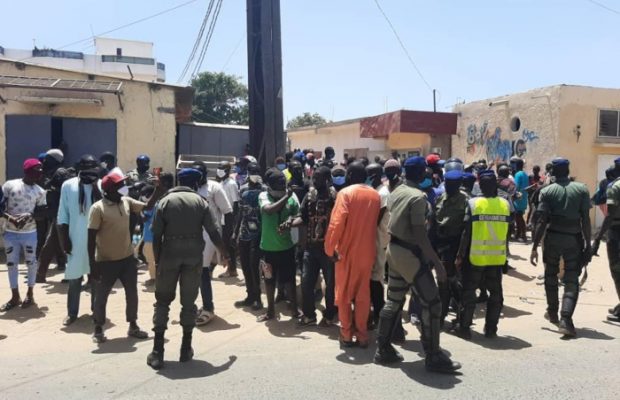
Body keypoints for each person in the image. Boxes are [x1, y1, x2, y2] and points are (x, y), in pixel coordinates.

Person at [373, 156, 460, 373]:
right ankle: (433, 356)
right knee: (433, 303)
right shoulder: (417, 198)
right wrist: (438, 264)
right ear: (422, 173)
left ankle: (382, 349)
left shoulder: (396, 191)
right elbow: (421, 236)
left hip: (393, 251)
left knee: (393, 300)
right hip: (410, 255)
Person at [146, 168, 228, 370]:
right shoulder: (201, 202)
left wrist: (157, 261)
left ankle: (158, 352)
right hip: (193, 257)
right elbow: (214, 231)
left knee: (163, 301)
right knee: (189, 303)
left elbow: (156, 235)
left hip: (169, 256)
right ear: (195, 184)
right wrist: (223, 252)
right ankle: (185, 348)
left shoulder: (164, 201)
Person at [87, 170, 164, 343]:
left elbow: (147, 207)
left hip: (127, 258)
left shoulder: (126, 201)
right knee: (102, 295)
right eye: (119, 185)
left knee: (132, 293)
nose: (123, 187)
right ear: (109, 190)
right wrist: (92, 265)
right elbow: (91, 238)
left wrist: (158, 190)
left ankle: (133, 325)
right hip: (105, 260)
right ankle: (98, 328)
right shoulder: (98, 208)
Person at [530, 158, 592, 336]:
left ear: (554, 172)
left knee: (551, 275)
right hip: (574, 239)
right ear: (568, 170)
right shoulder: (581, 189)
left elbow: (541, 221)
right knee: (572, 280)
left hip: (553, 239)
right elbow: (585, 220)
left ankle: (552, 312)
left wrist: (534, 246)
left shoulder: (547, 191)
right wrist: (588, 244)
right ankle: (566, 319)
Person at [324, 162, 380, 347]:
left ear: (349, 176)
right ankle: (363, 335)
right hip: (367, 252)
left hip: (347, 253)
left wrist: (329, 249)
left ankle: (347, 335)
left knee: (345, 295)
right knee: (363, 295)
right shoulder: (375, 195)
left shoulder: (345, 193)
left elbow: (336, 224)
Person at [456, 170, 510, 339]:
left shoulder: (473, 204)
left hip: (476, 257)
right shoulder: (505, 204)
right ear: (495, 185)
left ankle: (464, 328)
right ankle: (491, 329)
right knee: (495, 295)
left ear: (479, 185)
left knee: (469, 293)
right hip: (496, 257)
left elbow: (466, 232)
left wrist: (460, 255)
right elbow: (508, 232)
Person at [287, 166, 338, 326]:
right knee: (306, 281)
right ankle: (309, 315)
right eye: (313, 177)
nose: (314, 181)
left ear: (327, 179)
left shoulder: (335, 196)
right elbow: (303, 217)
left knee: (330, 285)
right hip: (310, 247)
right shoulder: (309, 195)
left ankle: (329, 315)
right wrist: (289, 224)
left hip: (328, 249)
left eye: (318, 178)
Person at [56, 155, 101, 325]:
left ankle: (96, 311)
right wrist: (64, 240)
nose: (89, 170)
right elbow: (62, 214)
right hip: (75, 238)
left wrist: (95, 185)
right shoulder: (68, 185)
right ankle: (72, 313)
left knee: (96, 276)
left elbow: (105, 206)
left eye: (92, 167)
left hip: (97, 239)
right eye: (85, 167)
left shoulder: (102, 184)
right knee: (75, 277)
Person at [0, 159, 47, 312]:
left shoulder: (40, 191)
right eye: (35, 173)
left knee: (31, 263)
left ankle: (30, 294)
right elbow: (0, 207)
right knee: (11, 264)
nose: (38, 176)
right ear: (27, 172)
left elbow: (42, 213)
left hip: (29, 233)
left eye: (40, 173)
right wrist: (10, 218)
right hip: (10, 233)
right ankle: (15, 296)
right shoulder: (10, 186)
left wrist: (29, 215)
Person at [193, 161, 234, 325]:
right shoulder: (190, 186)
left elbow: (228, 212)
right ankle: (193, 306)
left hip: (209, 236)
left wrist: (226, 239)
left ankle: (208, 308)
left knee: (202, 271)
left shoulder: (214, 187)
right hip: (191, 236)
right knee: (194, 272)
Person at [257, 168, 300, 322]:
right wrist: (286, 196)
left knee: (289, 280)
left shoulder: (291, 198)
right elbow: (269, 210)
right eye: (278, 185)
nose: (281, 188)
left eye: (283, 185)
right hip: (268, 248)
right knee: (269, 280)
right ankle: (270, 312)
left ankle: (295, 310)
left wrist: (291, 220)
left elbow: (298, 214)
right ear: (269, 185)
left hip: (287, 247)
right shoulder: (264, 196)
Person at [434, 170, 468, 327]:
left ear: (458, 185)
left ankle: (463, 317)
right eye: (447, 184)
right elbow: (434, 220)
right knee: (443, 283)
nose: (449, 187)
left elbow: (467, 229)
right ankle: (441, 316)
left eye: (452, 185)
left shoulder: (466, 201)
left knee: (455, 283)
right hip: (441, 245)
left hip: (456, 245)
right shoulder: (441, 197)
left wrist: (460, 254)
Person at [233, 163, 265, 310]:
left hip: (259, 233)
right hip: (245, 232)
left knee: (254, 265)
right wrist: (235, 231)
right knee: (245, 265)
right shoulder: (243, 188)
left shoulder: (265, 190)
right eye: (252, 171)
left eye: (256, 171)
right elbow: (240, 211)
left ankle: (258, 297)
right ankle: (250, 295)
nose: (254, 173)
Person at [592, 157, 620, 322]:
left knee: (617, 271)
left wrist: (598, 238)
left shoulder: (615, 187)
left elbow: (609, 216)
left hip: (617, 233)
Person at [37, 163, 73, 282]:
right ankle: (41, 274)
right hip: (61, 219)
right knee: (58, 246)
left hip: (63, 219)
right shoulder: (62, 188)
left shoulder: (63, 188)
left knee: (59, 247)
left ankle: (41, 274)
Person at [365, 163, 390, 329]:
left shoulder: (382, 194)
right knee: (373, 279)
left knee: (376, 280)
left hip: (379, 242)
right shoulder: (378, 192)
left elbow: (375, 220)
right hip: (376, 241)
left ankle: (379, 315)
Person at [216, 160, 240, 278]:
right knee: (225, 244)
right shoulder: (222, 183)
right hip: (222, 218)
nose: (219, 170)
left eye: (222, 168)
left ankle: (232, 269)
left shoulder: (231, 184)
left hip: (229, 217)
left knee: (229, 245)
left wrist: (234, 221)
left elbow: (236, 203)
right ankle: (230, 268)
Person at [512, 157, 529, 242]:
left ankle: (523, 234)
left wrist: (512, 195)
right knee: (519, 216)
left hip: (518, 198)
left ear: (516, 165)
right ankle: (519, 234)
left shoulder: (518, 174)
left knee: (518, 216)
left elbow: (516, 186)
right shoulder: (525, 174)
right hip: (524, 197)